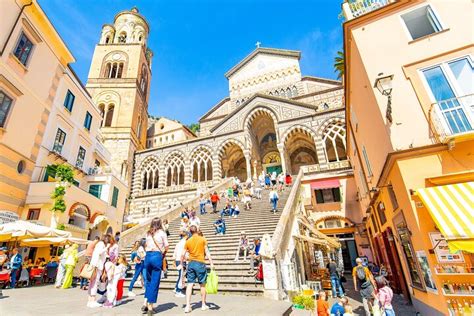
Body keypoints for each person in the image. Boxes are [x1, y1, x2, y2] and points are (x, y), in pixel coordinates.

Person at [181, 225, 214, 313]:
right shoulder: (203, 239)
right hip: (200, 263)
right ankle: (203, 304)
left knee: (190, 284)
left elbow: (182, 254)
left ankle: (188, 306)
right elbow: (207, 251)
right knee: (202, 284)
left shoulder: (188, 241)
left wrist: (181, 264)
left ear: (190, 232)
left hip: (191, 263)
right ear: (197, 230)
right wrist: (211, 263)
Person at [143, 218, 169, 315]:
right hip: (156, 256)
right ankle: (150, 307)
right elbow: (167, 246)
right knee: (155, 281)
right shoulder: (162, 233)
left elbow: (146, 245)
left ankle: (145, 303)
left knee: (148, 281)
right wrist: (163, 253)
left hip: (148, 256)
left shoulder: (148, 233)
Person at [87, 234, 111, 308]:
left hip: (95, 265)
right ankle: (93, 300)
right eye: (108, 240)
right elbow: (99, 253)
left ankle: (90, 300)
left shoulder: (99, 244)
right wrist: (107, 247)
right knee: (95, 283)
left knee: (92, 283)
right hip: (97, 265)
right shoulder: (101, 244)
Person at [172, 231, 187, 298]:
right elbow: (185, 252)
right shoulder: (185, 243)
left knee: (180, 275)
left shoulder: (178, 243)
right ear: (186, 236)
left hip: (178, 260)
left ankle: (176, 288)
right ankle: (178, 291)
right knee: (181, 276)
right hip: (182, 260)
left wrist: (174, 260)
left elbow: (175, 252)